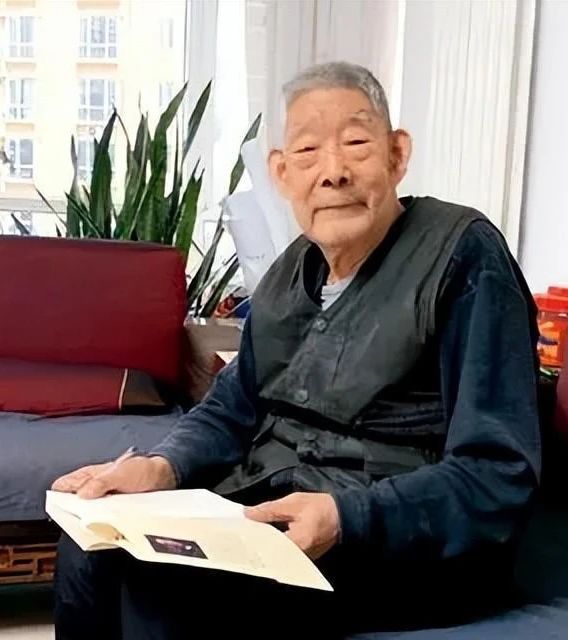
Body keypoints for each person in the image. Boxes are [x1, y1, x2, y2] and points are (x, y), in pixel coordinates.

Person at [52, 62, 541, 640]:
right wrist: (162, 467)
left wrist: (348, 517)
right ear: (282, 174)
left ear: (397, 155)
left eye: (356, 144)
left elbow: (497, 472)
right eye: (308, 152)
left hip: (402, 541)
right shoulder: (291, 271)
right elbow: (230, 408)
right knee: (92, 548)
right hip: (274, 514)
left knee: (161, 589)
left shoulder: (464, 255)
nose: (333, 172)